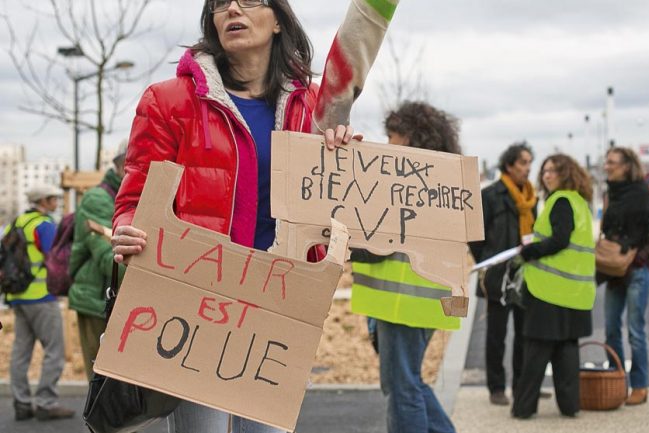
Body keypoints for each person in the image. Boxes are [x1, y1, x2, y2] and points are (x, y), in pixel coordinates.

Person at [111, 1, 399, 432]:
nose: (232, 9)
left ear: (279, 19)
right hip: (194, 303)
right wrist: (127, 230)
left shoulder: (314, 107)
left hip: (277, 306)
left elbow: (331, 216)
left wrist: (341, 163)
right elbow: (135, 195)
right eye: (220, 4)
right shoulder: (168, 101)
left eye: (247, 0)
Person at [350, 101, 459, 433]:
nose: (388, 144)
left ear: (412, 139)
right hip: (420, 301)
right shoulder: (441, 182)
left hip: (400, 301)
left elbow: (380, 245)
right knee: (408, 383)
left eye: (393, 136)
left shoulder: (403, 185)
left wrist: (348, 242)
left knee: (402, 389)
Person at [511, 154, 595, 419]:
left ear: (566, 174)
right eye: (545, 171)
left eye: (553, 171)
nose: (547, 175)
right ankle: (570, 406)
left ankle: (524, 408)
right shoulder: (579, 202)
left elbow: (559, 239)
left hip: (549, 290)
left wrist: (529, 251)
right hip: (575, 292)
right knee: (567, 350)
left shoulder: (560, 201)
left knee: (536, 350)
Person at [469, 143, 539, 406]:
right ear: (509, 165)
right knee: (496, 334)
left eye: (530, 162)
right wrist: (487, 261)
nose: (528, 168)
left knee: (524, 333)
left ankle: (522, 385)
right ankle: (496, 388)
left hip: (525, 274)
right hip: (498, 275)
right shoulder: (491, 195)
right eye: (523, 162)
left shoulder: (532, 197)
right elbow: (476, 237)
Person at [4, 185, 75, 421]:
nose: (56, 202)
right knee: (54, 351)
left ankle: (22, 404)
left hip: (18, 297)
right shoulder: (43, 225)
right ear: (44, 201)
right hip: (41, 297)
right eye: (53, 198)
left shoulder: (17, 223)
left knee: (21, 352)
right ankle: (46, 403)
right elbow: (57, 258)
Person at [599, 147, 649, 406]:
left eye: (611, 162)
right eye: (606, 161)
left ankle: (640, 385)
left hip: (636, 270)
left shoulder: (642, 194)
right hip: (613, 271)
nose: (606, 166)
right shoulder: (610, 193)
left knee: (635, 330)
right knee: (611, 328)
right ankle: (616, 379)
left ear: (626, 166)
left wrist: (637, 256)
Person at [67, 141, 127, 380]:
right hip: (95, 298)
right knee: (101, 382)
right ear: (123, 165)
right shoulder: (98, 198)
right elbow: (109, 257)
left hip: (113, 297)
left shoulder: (123, 195)